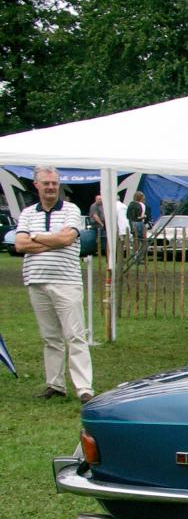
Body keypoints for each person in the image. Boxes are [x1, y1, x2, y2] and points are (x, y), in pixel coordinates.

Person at [13, 166, 93, 403]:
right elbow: (19, 245)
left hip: (66, 280)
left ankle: (84, 388)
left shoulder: (71, 209)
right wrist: (53, 241)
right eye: (46, 183)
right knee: (50, 337)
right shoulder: (27, 213)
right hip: (36, 280)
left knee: (75, 335)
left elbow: (67, 238)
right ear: (36, 185)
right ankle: (55, 384)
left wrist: (35, 237)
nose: (50, 187)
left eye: (54, 183)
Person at [126, 191, 147, 256]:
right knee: (143, 240)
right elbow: (138, 216)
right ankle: (140, 255)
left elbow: (128, 215)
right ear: (141, 197)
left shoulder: (130, 204)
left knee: (136, 239)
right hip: (139, 223)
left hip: (132, 223)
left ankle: (135, 254)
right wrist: (144, 216)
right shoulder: (141, 205)